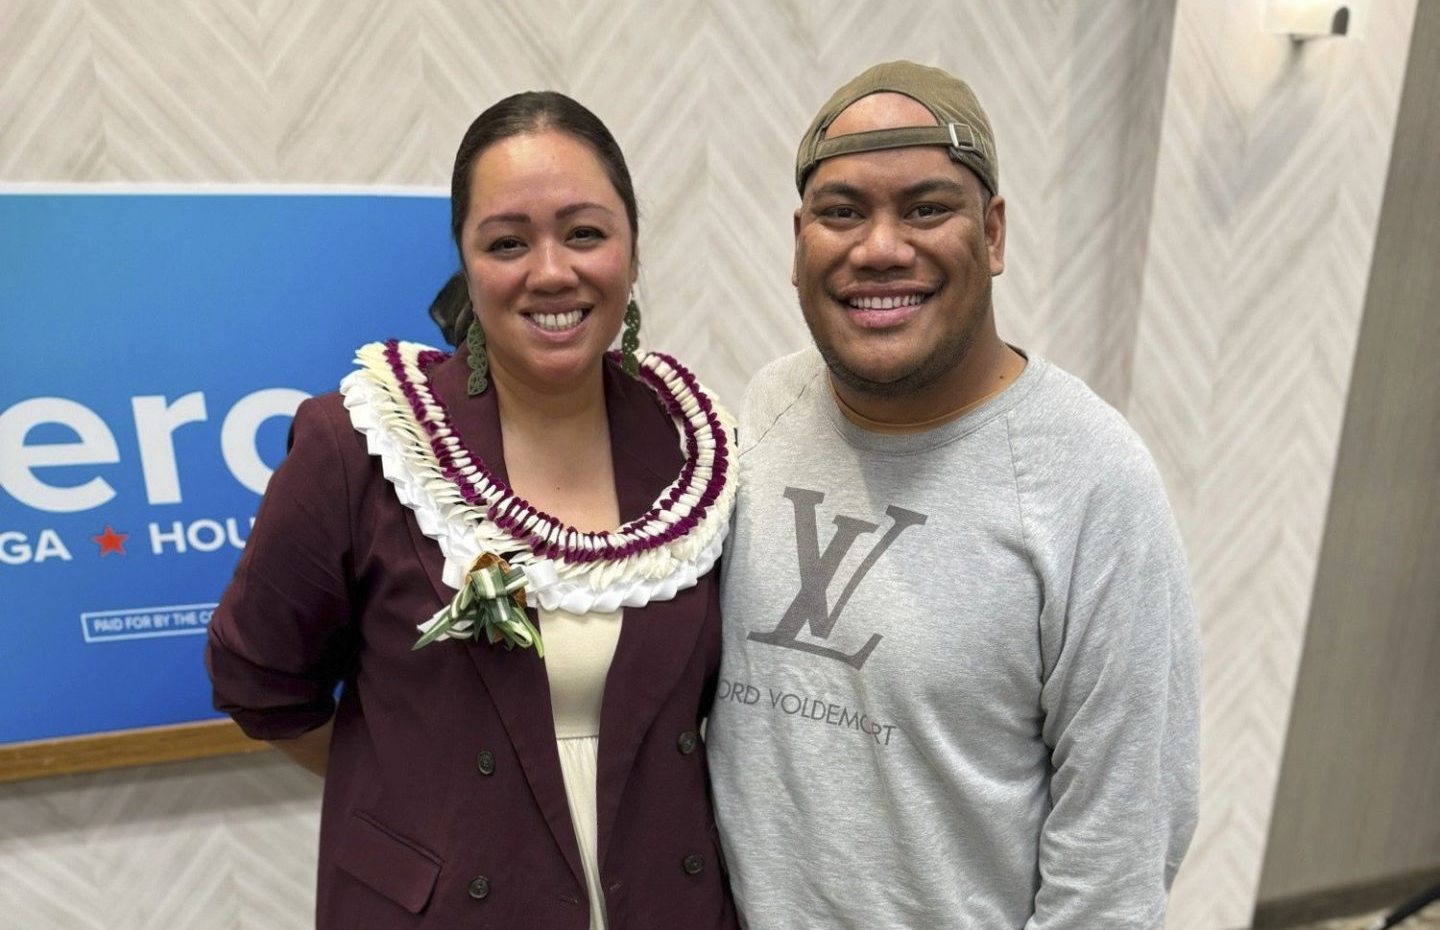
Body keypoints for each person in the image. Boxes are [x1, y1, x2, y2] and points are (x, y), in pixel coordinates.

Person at [207, 91, 739, 930]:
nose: (552, 270)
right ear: (466, 260)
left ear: (632, 251)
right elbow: (260, 683)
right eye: (508, 241)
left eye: (586, 232)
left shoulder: (695, 444)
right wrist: (425, 796)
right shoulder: (365, 443)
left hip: (667, 901)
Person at [706, 60, 1200, 928]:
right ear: (797, 242)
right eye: (842, 211)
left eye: (927, 208)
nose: (881, 247)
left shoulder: (1092, 480)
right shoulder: (766, 410)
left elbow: (1118, 858)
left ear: (994, 233)